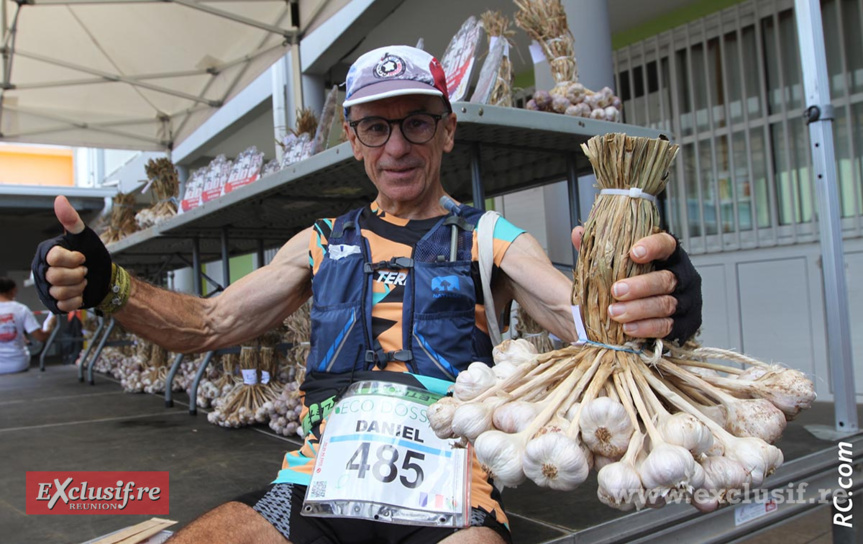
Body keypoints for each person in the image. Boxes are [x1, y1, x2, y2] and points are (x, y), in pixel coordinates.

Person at [32, 45, 701, 544]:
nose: (397, 145)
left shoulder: (488, 235)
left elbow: (578, 318)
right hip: (316, 479)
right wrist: (107, 284)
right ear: (352, 140)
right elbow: (208, 323)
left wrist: (653, 305)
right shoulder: (320, 240)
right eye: (375, 127)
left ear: (447, 129)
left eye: (416, 122)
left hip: (446, 484)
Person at [0, 277, 56, 374]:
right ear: (13, 291)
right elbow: (41, 337)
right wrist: (49, 324)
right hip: (18, 365)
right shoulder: (20, 309)